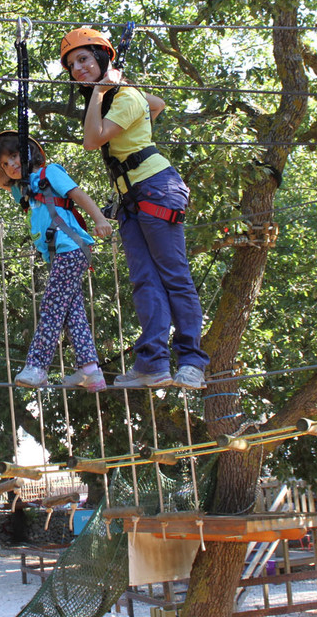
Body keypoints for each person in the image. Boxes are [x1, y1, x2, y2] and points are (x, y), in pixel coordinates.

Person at [60, 26, 209, 390]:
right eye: (71, 65)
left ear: (101, 58)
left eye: (83, 59)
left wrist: (101, 91)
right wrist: (133, 112)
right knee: (145, 281)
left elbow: (92, 141)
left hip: (156, 188)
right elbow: (155, 105)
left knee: (173, 275)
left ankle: (192, 362)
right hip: (130, 199)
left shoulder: (121, 96)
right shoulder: (121, 100)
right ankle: (153, 364)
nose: (78, 68)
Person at [0, 130, 113, 391]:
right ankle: (90, 371)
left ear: (30, 152)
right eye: (6, 163)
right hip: (60, 254)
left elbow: (77, 195)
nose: (11, 165)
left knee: (52, 307)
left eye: (15, 156)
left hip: (71, 247)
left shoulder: (49, 173)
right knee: (73, 312)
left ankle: (37, 367)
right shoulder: (22, 188)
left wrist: (100, 219)